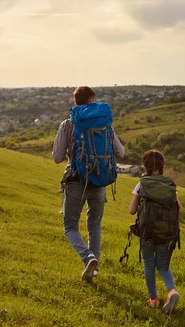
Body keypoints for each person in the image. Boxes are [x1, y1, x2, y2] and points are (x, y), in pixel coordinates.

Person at [52, 86, 125, 282]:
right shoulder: (104, 124)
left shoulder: (67, 124)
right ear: (93, 100)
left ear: (75, 102)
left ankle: (88, 257)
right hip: (100, 181)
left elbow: (57, 157)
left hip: (76, 181)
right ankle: (93, 271)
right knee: (95, 225)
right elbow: (121, 152)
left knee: (70, 226)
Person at [128, 150, 182, 314]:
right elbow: (179, 209)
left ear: (145, 166)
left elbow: (131, 210)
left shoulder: (142, 184)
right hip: (165, 233)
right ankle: (172, 291)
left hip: (147, 233)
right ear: (162, 166)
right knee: (163, 264)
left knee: (149, 264)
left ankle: (153, 299)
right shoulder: (169, 184)